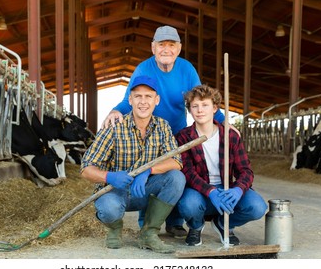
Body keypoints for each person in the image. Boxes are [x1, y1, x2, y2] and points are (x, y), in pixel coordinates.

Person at [102, 25, 225, 238]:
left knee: (176, 175)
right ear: (153, 47)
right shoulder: (143, 69)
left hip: (176, 134)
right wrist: (114, 111)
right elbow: (128, 100)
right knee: (145, 173)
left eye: (171, 45)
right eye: (161, 45)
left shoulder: (186, 69)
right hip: (149, 132)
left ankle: (175, 222)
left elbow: (200, 98)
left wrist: (224, 123)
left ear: (178, 48)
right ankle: (146, 224)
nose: (166, 49)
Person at [80, 75, 185, 254]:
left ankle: (149, 233)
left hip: (144, 189)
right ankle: (114, 229)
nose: (143, 102)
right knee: (108, 208)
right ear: (130, 99)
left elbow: (176, 161)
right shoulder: (114, 127)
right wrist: (109, 176)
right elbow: (85, 169)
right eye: (138, 96)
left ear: (156, 100)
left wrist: (148, 172)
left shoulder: (163, 127)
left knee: (176, 178)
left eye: (148, 96)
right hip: (114, 191)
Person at [175, 85, 267, 246]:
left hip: (226, 188)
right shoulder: (184, 137)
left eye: (205, 105)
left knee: (258, 207)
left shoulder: (230, 136)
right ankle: (196, 226)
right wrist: (210, 191)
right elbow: (187, 173)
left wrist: (238, 189)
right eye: (195, 106)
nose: (200, 110)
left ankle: (225, 224)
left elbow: (245, 171)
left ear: (215, 108)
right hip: (199, 190)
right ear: (189, 110)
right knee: (188, 205)